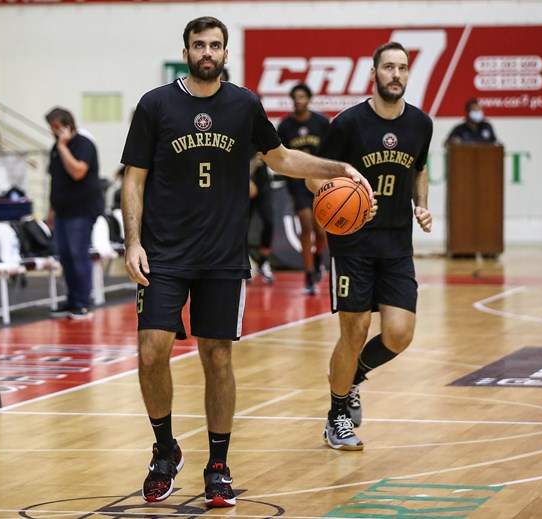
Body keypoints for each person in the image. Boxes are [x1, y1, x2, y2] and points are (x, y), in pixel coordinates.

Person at [120, 16, 372, 508]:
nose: (207, 52)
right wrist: (132, 241)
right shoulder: (155, 105)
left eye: (215, 45)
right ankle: (164, 451)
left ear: (226, 53)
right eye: (199, 45)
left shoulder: (244, 104)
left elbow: (281, 159)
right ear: (187, 50)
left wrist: (337, 168)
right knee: (151, 352)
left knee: (217, 356)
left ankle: (218, 464)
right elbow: (134, 179)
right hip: (164, 252)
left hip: (222, 254)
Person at [310, 42, 433, 451]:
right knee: (355, 328)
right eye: (388, 68)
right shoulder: (348, 124)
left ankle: (353, 378)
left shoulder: (420, 124)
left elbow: (419, 169)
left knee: (399, 334)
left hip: (397, 244)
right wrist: (342, 194)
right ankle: (337, 415)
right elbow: (314, 177)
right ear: (374, 73)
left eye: (402, 68)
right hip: (352, 243)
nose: (395, 75)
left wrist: (424, 206)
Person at [45, 107, 103, 319]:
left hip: (81, 210)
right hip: (62, 211)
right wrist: (50, 210)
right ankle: (71, 299)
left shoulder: (83, 144)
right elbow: (55, 180)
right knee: (65, 257)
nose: (54, 131)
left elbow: (78, 171)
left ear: (69, 125)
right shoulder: (55, 148)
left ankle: (82, 302)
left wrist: (62, 147)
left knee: (79, 255)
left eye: (57, 127)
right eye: (51, 128)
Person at [277, 83, 331, 295]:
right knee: (306, 224)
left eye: (302, 96)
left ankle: (318, 259)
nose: (299, 100)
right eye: (295, 97)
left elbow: (331, 150)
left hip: (319, 179)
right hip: (297, 181)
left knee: (321, 228)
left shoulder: (322, 122)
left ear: (309, 99)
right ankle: (308, 274)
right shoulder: (285, 126)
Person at [249, 154, 275, 283]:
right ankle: (244, 263)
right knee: (241, 225)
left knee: (269, 222)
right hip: (243, 183)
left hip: (263, 182)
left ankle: (263, 262)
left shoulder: (260, 135)